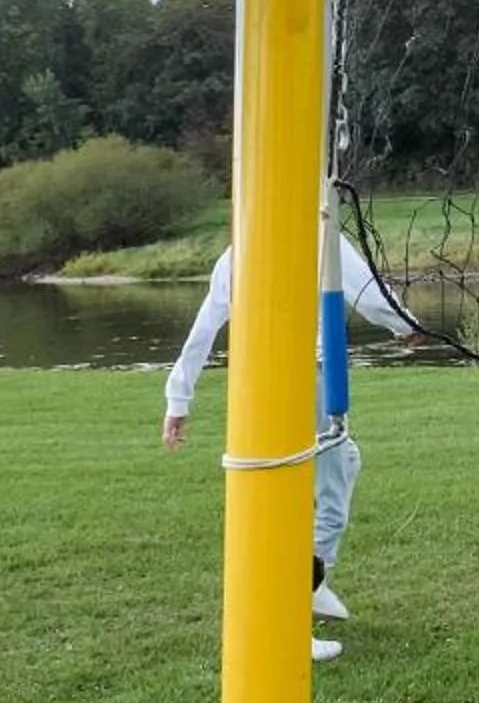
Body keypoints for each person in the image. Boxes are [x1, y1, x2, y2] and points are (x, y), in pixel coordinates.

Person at [162, 231, 431, 661]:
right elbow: (367, 291)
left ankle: (313, 582)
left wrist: (179, 397)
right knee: (299, 490)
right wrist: (407, 326)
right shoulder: (319, 232)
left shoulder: (240, 248)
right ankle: (295, 603)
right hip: (305, 378)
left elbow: (206, 325)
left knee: (338, 465)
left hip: (257, 383)